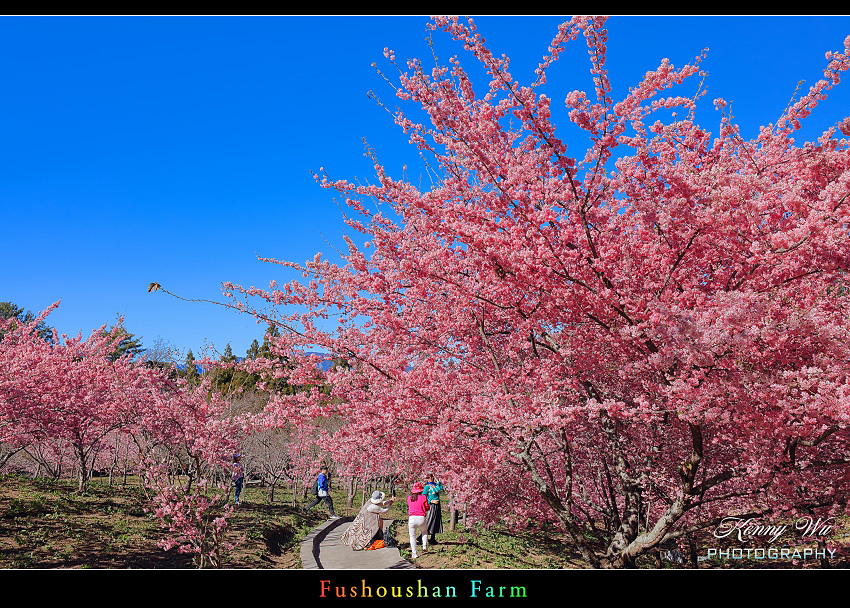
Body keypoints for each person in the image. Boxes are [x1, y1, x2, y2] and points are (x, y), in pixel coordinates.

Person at [407, 481, 429, 559]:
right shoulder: (423, 497)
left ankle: (414, 553)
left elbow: (410, 505)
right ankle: (424, 546)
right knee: (424, 532)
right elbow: (427, 507)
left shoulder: (409, 498)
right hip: (421, 518)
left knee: (412, 536)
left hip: (412, 518)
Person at [423, 475, 444, 545]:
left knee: (436, 520)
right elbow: (424, 497)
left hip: (437, 505)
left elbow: (441, 488)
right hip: (431, 505)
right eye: (428, 477)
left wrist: (438, 481)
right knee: (430, 520)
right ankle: (422, 537)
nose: (430, 478)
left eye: (431, 477)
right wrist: (431, 501)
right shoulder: (427, 487)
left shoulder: (436, 485)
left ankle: (433, 538)